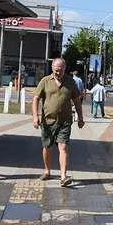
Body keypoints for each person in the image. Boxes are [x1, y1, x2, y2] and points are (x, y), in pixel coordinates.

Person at [32, 58, 85, 187]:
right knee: (47, 147)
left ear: (65, 68)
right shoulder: (45, 81)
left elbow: (77, 101)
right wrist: (35, 116)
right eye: (56, 70)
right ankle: (47, 170)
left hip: (65, 121)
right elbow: (36, 98)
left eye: (60, 70)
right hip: (47, 121)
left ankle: (63, 177)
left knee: (63, 147)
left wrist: (81, 118)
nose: (58, 72)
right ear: (52, 68)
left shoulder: (70, 82)